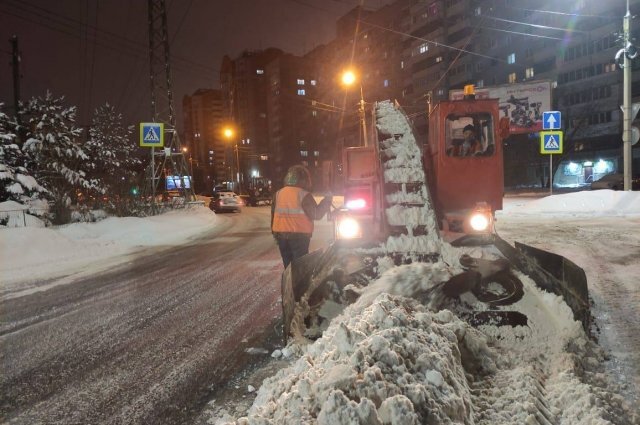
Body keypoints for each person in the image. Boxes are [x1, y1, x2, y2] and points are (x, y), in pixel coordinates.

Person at [271, 165, 332, 268]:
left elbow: (273, 216)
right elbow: (316, 214)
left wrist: (275, 234)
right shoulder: (304, 195)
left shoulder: (278, 194)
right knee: (300, 268)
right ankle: (299, 284)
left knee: (288, 268)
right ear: (304, 180)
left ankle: (289, 284)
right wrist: (327, 201)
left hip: (281, 237)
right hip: (299, 237)